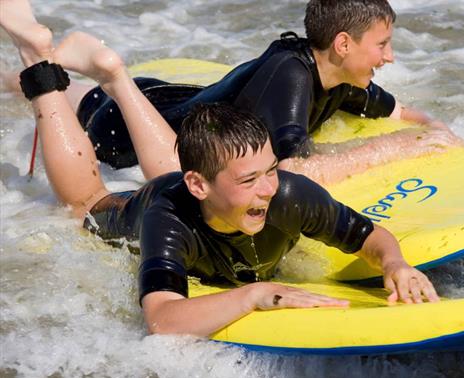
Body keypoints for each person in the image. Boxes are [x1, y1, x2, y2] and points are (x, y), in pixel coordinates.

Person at [0, 0, 438, 337]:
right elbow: (163, 319)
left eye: (268, 173)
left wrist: (394, 263)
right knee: (84, 205)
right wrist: (255, 295)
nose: (267, 189)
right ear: (198, 187)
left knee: (199, 164)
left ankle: (100, 76)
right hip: (139, 194)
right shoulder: (168, 221)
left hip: (184, 121)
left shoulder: (287, 192)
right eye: (250, 180)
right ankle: (37, 63)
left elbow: (369, 236)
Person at [42, 0, 464, 185]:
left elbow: (395, 110)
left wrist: (432, 126)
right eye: (382, 44)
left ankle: (24, 73)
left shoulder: (340, 78)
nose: (389, 57)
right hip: (131, 136)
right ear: (343, 44)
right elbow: (296, 170)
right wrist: (403, 150)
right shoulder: (291, 77)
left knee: (80, 93)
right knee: (69, 101)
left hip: (164, 96)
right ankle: (36, 71)